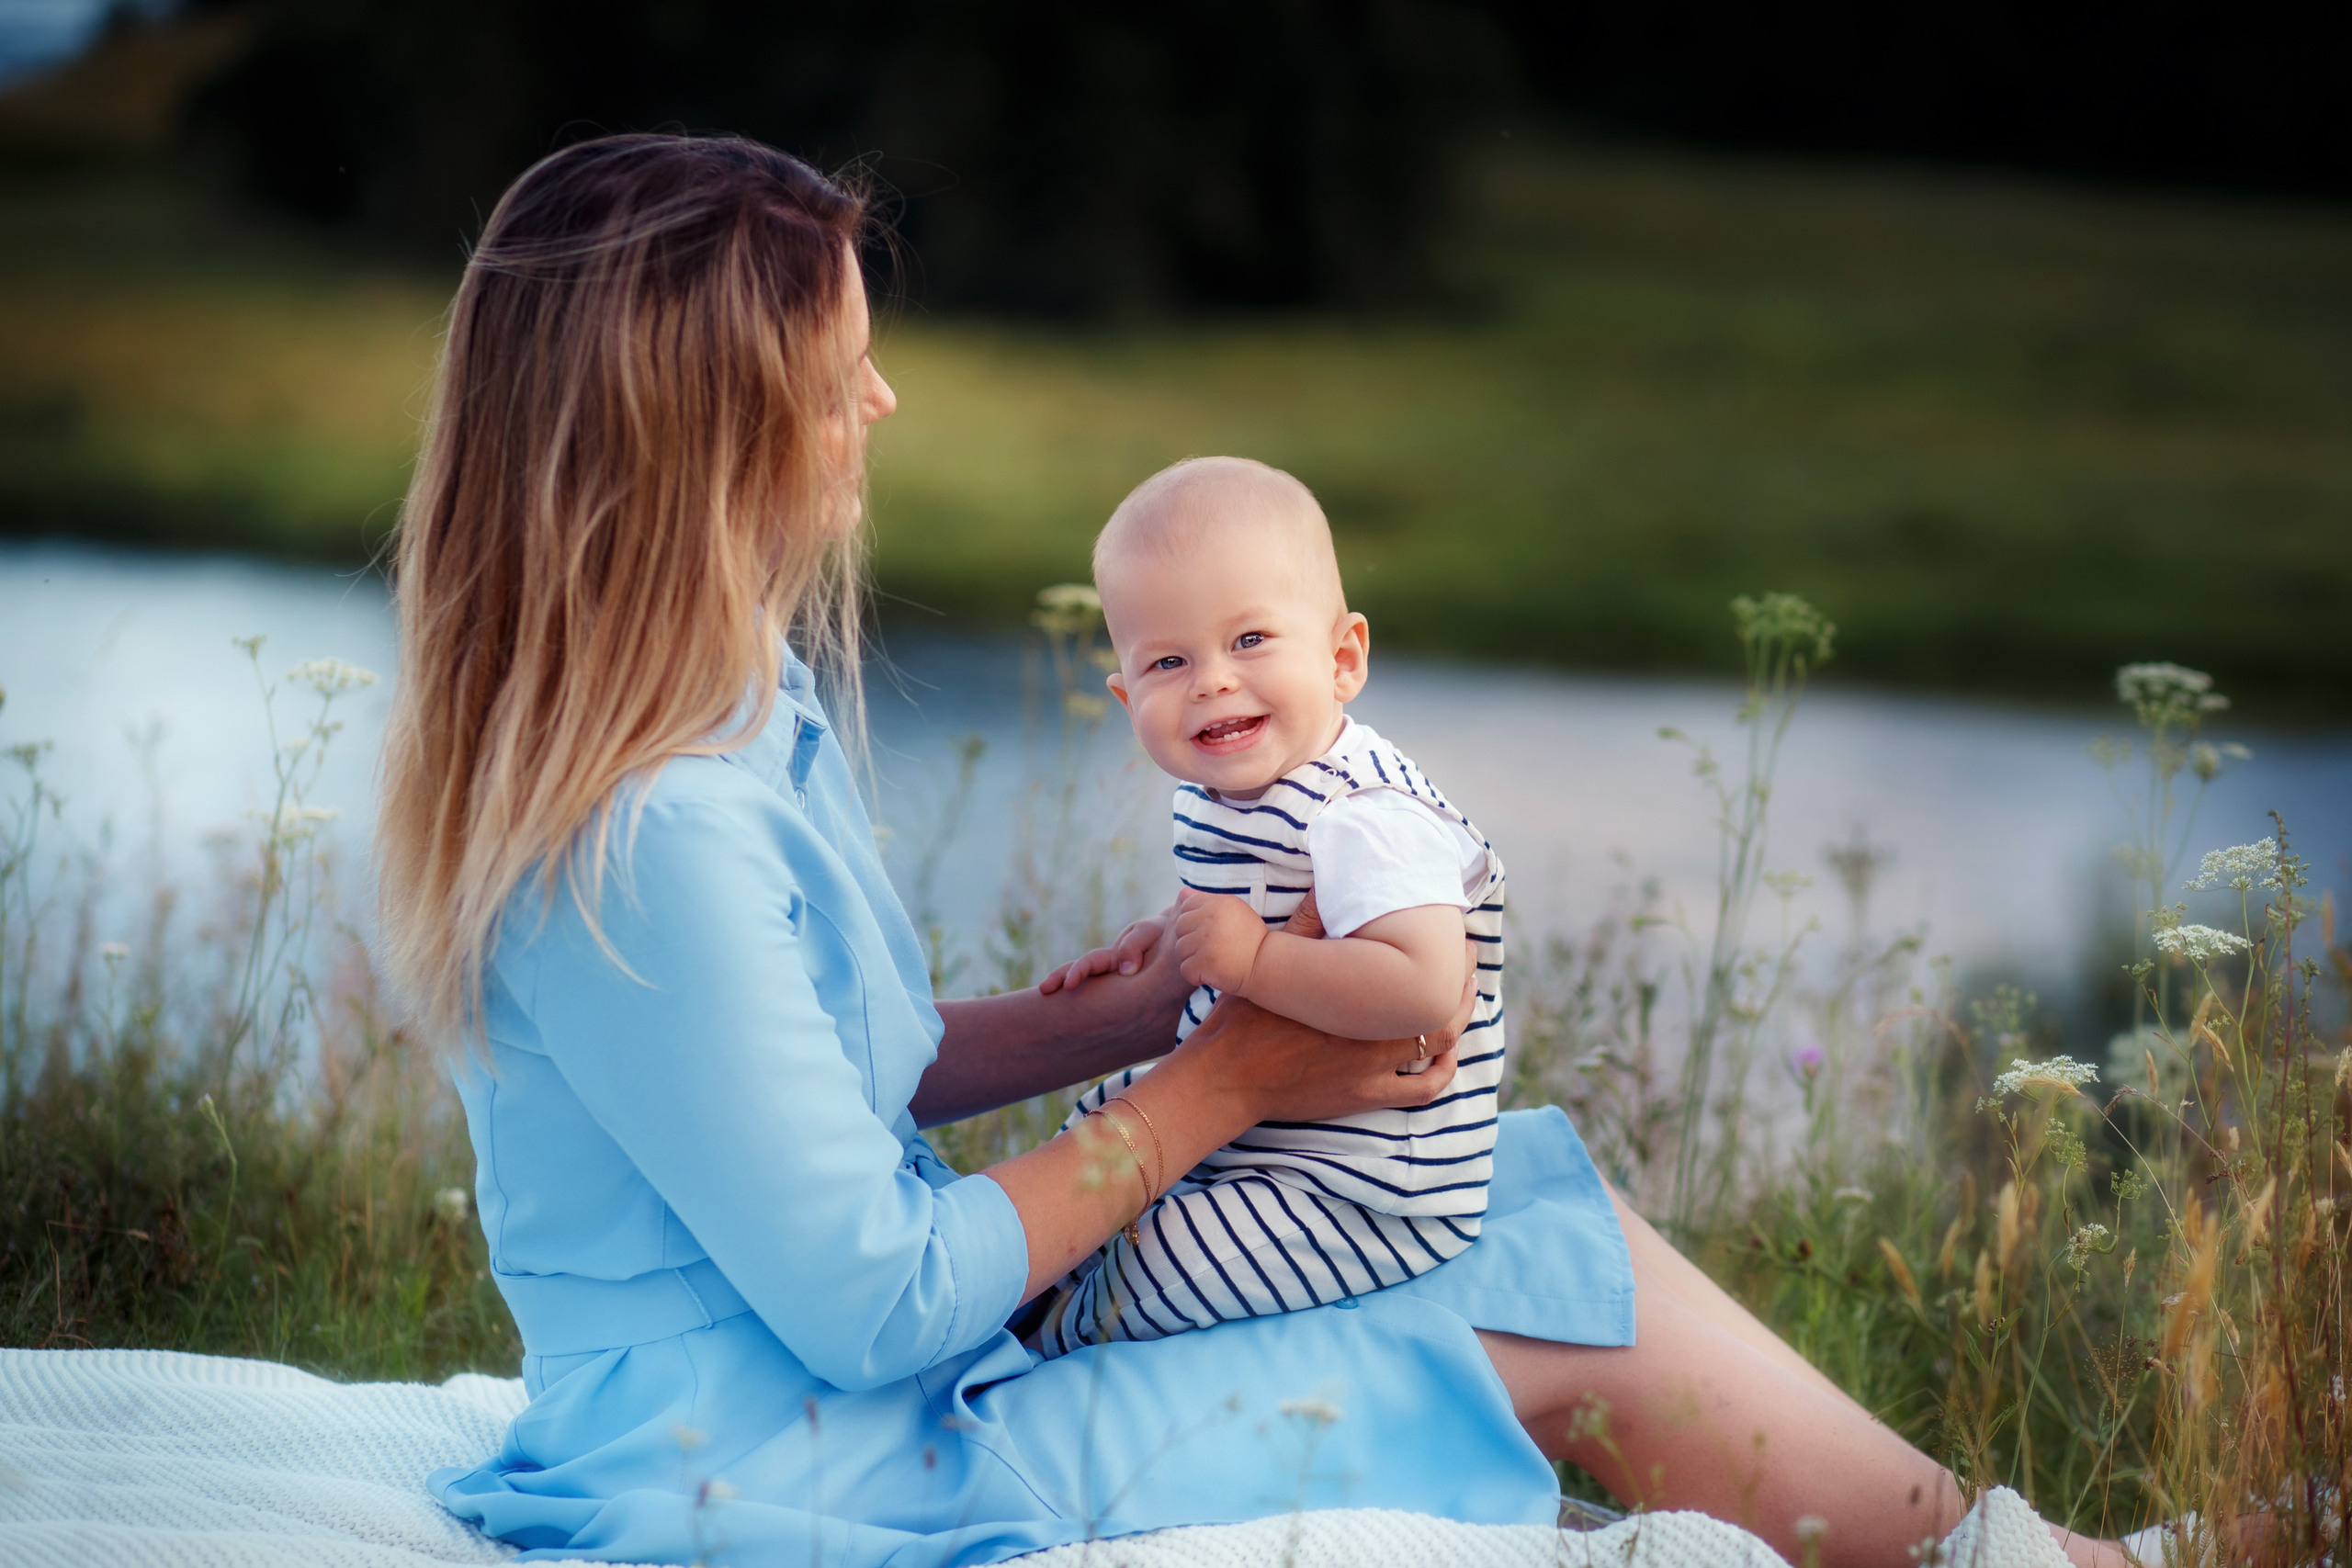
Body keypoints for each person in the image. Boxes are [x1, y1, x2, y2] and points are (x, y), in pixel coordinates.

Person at [376, 132, 2128, 1568]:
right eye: (839, 376)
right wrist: (1225, 1083)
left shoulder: (734, 707)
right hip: (792, 1472)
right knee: (1540, 1297)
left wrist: (1123, 1016)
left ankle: (2020, 1557)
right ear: (705, 429)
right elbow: (875, 1301)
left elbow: (839, 1077)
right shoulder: (648, 836)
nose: (884, 401)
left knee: (1519, 1185)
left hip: (860, 1400)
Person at [1027, 457, 1513, 1356]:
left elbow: (1422, 986)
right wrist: (1168, 940)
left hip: (1368, 1187)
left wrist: (1253, 959)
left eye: (1249, 639)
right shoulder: (1233, 791)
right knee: (1089, 1138)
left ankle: (1051, 1356)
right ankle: (1016, 1306)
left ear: (1342, 659)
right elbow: (1256, 892)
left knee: (1168, 1257)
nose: (1211, 680)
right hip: (1271, 1134)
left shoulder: (1365, 815)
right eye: (1168, 661)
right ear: (1127, 697)